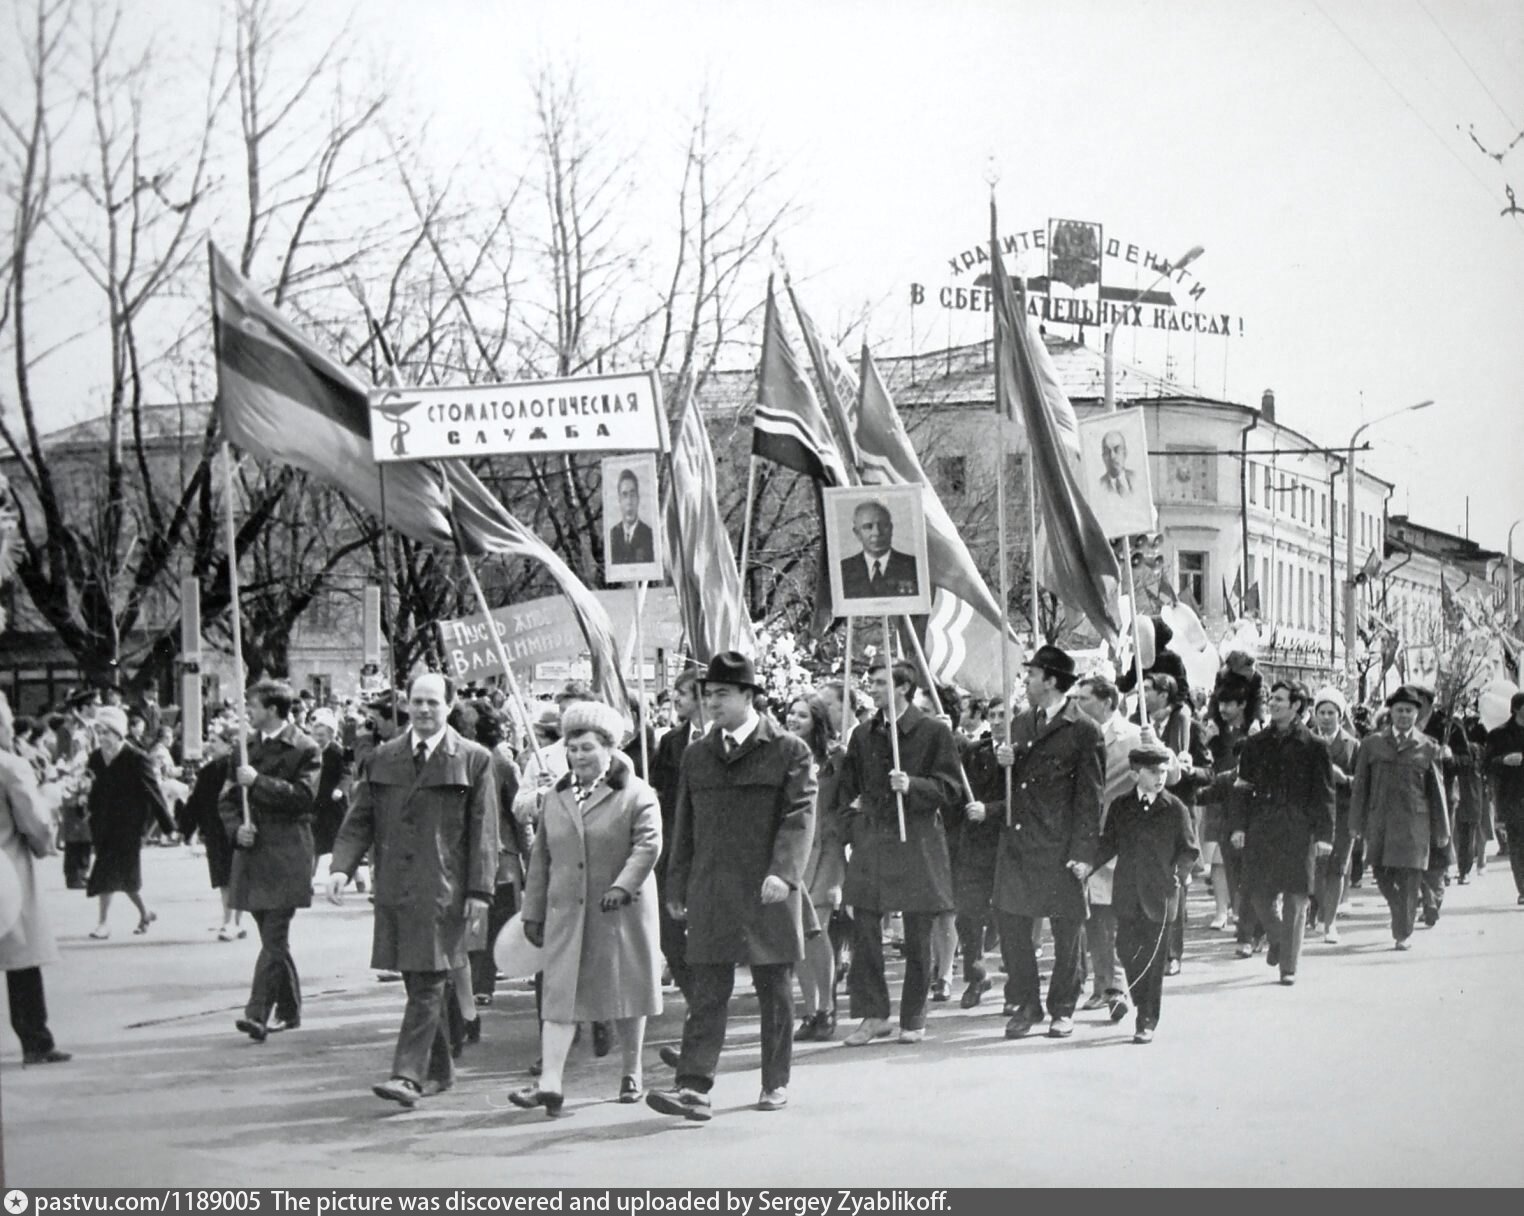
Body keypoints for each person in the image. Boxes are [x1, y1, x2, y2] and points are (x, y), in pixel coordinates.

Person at [647, 652, 814, 1122]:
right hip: (713, 888)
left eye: (722, 694)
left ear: (748, 696)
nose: (712, 703)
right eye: (707, 695)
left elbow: (800, 816)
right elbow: (684, 824)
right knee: (707, 988)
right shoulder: (697, 755)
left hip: (768, 888)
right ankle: (693, 1087)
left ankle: (775, 1081)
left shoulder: (788, 751)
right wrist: (676, 884)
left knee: (773, 989)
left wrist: (784, 873)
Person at [329, 672, 499, 1107]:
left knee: (427, 981)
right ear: (406, 704)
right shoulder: (384, 757)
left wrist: (479, 891)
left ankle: (407, 1076)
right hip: (395, 886)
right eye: (417, 701)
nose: (424, 709)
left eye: (433, 702)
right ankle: (440, 1069)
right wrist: (341, 868)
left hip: (444, 889)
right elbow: (361, 817)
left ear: (449, 705)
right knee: (417, 979)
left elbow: (484, 831)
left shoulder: (474, 759)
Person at [511, 701, 662, 1117]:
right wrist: (533, 910)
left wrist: (623, 885)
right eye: (572, 748)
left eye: (588, 748)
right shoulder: (556, 796)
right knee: (560, 995)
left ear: (610, 749)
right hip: (567, 912)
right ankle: (550, 1082)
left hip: (619, 911)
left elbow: (648, 845)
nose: (578, 756)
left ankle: (631, 1070)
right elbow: (541, 856)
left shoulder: (636, 793)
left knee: (626, 991)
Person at [834, 658, 961, 1047]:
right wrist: (854, 825)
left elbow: (951, 789)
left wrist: (914, 786)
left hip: (917, 841)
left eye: (879, 682)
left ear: (903, 687)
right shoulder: (862, 734)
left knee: (918, 934)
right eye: (871, 682)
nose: (871, 688)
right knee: (864, 929)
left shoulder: (933, 731)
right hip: (873, 841)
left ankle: (913, 1016)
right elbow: (847, 792)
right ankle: (873, 1016)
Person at [994, 645, 1105, 1039]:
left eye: (1032, 674)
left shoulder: (1084, 730)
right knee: (1012, 925)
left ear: (1052, 681)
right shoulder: (1022, 723)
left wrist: (1084, 853)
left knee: (1066, 932)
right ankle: (1027, 1004)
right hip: (1019, 845)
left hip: (1060, 847)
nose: (1026, 680)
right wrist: (1005, 762)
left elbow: (1091, 798)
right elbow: (1012, 786)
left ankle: (1062, 1008)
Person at [222, 680, 322, 1042]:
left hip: (287, 851)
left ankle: (257, 1014)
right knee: (271, 938)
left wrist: (258, 782)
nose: (247, 711)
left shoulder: (305, 747)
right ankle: (290, 1010)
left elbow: (304, 796)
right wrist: (236, 830)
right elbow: (227, 799)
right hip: (254, 852)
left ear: (273, 709)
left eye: (253, 705)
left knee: (274, 935)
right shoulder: (244, 749)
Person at [1228, 681, 1335, 985]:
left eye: (1279, 699)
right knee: (1257, 893)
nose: (1272, 704)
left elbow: (1325, 795)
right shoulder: (1255, 744)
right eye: (1271, 699)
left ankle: (1288, 967)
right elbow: (1242, 789)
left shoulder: (1315, 746)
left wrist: (1325, 835)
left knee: (1296, 899)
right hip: (1262, 827)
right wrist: (1238, 826)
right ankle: (1277, 938)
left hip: (1299, 830)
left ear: (1296, 706)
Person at [1094, 742, 1198, 1044]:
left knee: (1153, 962)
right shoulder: (1121, 806)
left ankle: (1147, 1019)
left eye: (1163, 771)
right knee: (1127, 950)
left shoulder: (1174, 808)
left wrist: (1179, 874)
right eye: (1153, 772)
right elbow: (1108, 844)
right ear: (1135, 774)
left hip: (1162, 894)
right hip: (1127, 893)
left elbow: (1189, 849)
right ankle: (1141, 1000)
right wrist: (1084, 865)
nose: (1160, 777)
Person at [1349, 685, 1450, 950]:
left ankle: (1402, 932)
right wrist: (1356, 823)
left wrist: (1442, 829)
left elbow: (1437, 793)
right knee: (1381, 874)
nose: (1404, 715)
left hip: (1414, 825)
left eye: (1409, 711)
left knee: (1409, 879)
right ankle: (1401, 910)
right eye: (1399, 710)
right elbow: (1360, 786)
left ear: (1417, 714)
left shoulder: (1428, 746)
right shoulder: (1372, 744)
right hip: (1380, 822)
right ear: (1390, 713)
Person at [0, 692, 70, 1065]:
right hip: (7, 868)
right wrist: (45, 845)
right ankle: (35, 1039)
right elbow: (35, 822)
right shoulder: (11, 767)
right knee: (23, 958)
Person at [1072, 675, 1142, 1023]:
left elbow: (1170, 774)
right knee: (1094, 917)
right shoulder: (1076, 734)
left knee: (1110, 915)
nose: (1077, 703)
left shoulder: (1133, 736)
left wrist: (1155, 748)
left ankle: (1115, 986)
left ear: (1107, 702)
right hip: (1083, 836)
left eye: (1084, 698)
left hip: (1119, 838)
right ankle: (1105, 986)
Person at [85, 705, 174, 939]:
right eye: (99, 732)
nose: (101, 737)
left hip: (129, 826)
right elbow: (90, 789)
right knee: (111, 872)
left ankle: (111, 922)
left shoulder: (137, 758)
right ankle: (136, 915)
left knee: (121, 874)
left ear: (118, 733)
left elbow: (153, 793)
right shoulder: (95, 758)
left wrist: (168, 827)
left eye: (106, 732)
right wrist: (82, 802)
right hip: (103, 824)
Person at [786, 694, 845, 1041]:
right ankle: (809, 1010)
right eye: (791, 713)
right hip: (796, 853)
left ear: (817, 723)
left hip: (828, 852)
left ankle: (827, 1007)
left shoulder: (837, 758)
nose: (794, 719)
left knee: (817, 931)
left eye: (803, 715)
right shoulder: (783, 755)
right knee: (796, 934)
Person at [648, 669, 702, 1001]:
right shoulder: (670, 742)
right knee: (669, 931)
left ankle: (708, 1004)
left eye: (682, 693)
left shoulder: (724, 739)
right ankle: (695, 996)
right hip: (675, 848)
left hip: (712, 851)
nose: (675, 699)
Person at [954, 696, 1010, 1010]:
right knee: (967, 915)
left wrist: (990, 810)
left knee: (1010, 916)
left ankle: (1016, 985)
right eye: (994, 715)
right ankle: (976, 976)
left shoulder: (1026, 753)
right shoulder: (975, 752)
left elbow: (1028, 799)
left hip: (1010, 845)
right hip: (976, 846)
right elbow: (958, 790)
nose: (998, 721)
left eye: (1005, 715)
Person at [176, 725, 245, 941]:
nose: (210, 745)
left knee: (233, 877)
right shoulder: (207, 771)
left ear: (229, 745)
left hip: (234, 829)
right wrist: (186, 828)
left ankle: (231, 923)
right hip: (215, 830)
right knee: (225, 878)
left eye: (215, 741)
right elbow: (196, 802)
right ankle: (232, 922)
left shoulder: (238, 769)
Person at [1308, 687, 1360, 943]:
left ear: (1340, 715)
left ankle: (1330, 923)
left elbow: (1363, 783)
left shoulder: (1353, 745)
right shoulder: (1306, 740)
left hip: (1343, 812)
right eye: (1322, 712)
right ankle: (1317, 912)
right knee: (1315, 868)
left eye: (1331, 713)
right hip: (1313, 814)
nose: (1326, 718)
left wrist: (1345, 779)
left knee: (1337, 868)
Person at [1486, 692, 1524, 904]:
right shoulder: (1498, 735)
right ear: (1516, 708)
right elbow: (1486, 764)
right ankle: (1523, 889)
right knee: (1518, 844)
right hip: (1512, 795)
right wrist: (1503, 760)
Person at [839, 500, 920, 599]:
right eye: (868, 527)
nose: (876, 533)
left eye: (882, 525)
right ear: (857, 533)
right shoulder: (842, 570)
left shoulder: (914, 566)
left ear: (891, 528)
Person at [307, 709, 352, 868]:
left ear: (331, 735)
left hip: (334, 803)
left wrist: (340, 789)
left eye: (322, 735)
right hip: (317, 802)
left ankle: (352, 872)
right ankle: (310, 876)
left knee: (338, 839)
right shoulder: (310, 751)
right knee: (314, 841)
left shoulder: (339, 751)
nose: (318, 738)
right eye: (315, 734)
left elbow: (347, 773)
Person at [608, 468, 655, 566]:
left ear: (638, 498)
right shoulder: (612, 536)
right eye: (624, 495)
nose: (629, 501)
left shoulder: (649, 536)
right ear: (619, 500)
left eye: (632, 495)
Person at [1097, 428, 1138, 497]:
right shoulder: (1099, 485)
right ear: (1103, 457)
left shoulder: (1136, 478)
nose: (1112, 456)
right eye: (1107, 451)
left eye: (1117, 450)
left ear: (1125, 453)